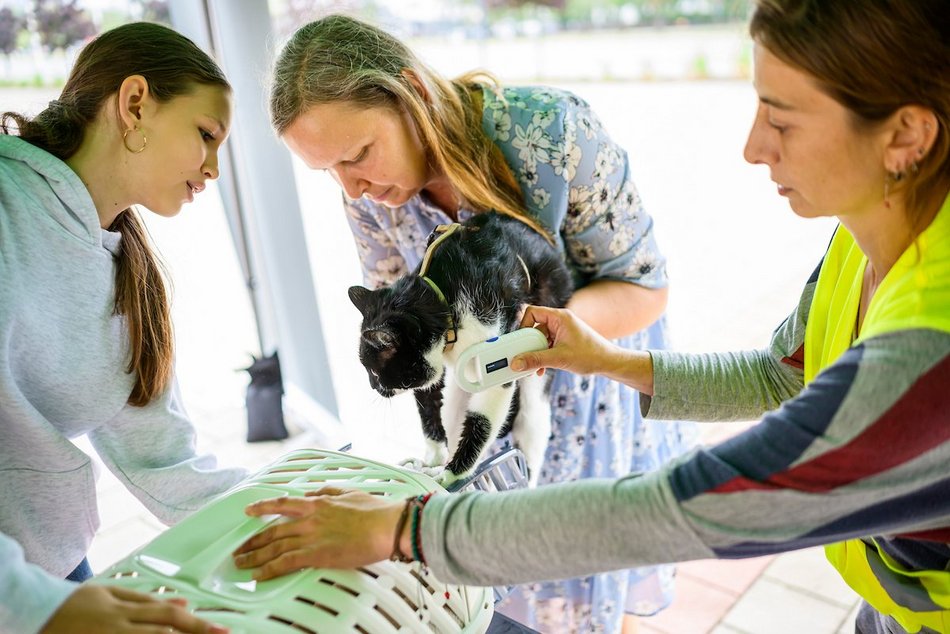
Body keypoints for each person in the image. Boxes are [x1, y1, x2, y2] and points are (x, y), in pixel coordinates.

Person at [233, 1, 950, 632]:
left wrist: (403, 529)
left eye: (782, 118)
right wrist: (608, 358)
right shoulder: (860, 244)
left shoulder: (930, 345)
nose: (752, 146)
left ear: (905, 136)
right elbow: (779, 373)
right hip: (894, 601)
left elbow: (697, 511)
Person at [267, 12, 698, 632]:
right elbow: (405, 317)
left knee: (589, 597)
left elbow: (644, 286)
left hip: (590, 394)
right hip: (486, 405)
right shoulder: (366, 197)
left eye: (359, 155)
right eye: (329, 171)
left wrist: (537, 337)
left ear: (412, 92)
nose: (353, 189)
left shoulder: (552, 134)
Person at [0, 22, 247, 634]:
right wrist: (33, 604)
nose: (213, 167)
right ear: (135, 103)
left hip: (52, 573)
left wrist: (290, 508)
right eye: (206, 135)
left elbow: (164, 458)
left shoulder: (125, 270)